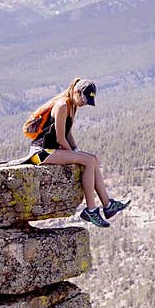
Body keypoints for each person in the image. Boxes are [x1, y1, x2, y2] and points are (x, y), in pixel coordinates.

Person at [26, 78, 130, 227]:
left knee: (92, 158)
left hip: (51, 150)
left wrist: (76, 150)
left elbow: (67, 133)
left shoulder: (72, 106)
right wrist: (77, 156)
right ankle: (91, 210)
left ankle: (107, 205)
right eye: (84, 99)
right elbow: (61, 139)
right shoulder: (62, 105)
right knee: (87, 160)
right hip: (39, 154)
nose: (84, 103)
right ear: (76, 92)